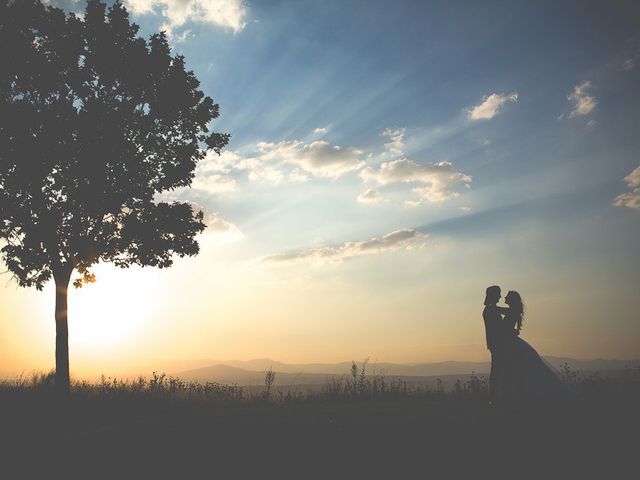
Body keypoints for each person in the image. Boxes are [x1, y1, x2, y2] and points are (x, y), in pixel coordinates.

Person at [498, 290, 566, 400]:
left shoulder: (511, 311)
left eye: (507, 296)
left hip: (510, 343)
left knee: (514, 368)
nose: (504, 297)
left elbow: (502, 318)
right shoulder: (513, 310)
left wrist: (491, 306)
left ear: (511, 299)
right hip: (512, 341)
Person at [482, 285, 509, 404]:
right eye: (498, 294)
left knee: (498, 370)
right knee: (497, 371)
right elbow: (498, 327)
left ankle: (496, 396)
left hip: (495, 344)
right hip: (497, 344)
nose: (500, 296)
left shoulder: (491, 309)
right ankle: (494, 398)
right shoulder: (491, 310)